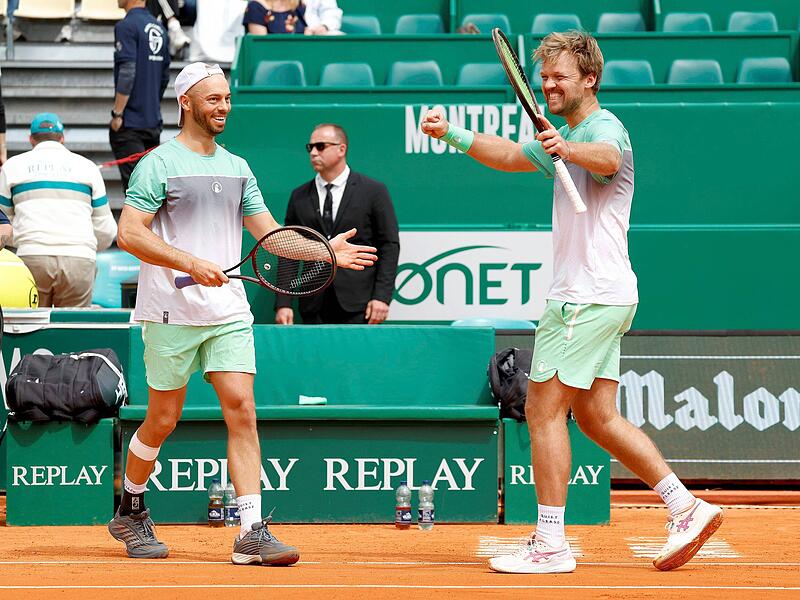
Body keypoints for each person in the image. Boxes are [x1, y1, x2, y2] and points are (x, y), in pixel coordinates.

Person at [421, 30, 723, 574]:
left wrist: (570, 147)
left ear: (590, 79)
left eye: (560, 76)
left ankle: (551, 543)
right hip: (602, 296)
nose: (548, 84)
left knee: (542, 410)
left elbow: (608, 158)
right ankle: (686, 506)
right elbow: (513, 154)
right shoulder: (565, 134)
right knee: (597, 417)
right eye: (544, 76)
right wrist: (454, 135)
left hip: (586, 298)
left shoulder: (600, 129)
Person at [109, 62, 377, 563]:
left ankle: (251, 531)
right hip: (171, 309)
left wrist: (326, 254)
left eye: (228, 98)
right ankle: (132, 505)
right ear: (186, 102)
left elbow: (270, 235)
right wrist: (188, 261)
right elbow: (130, 234)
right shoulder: (158, 164)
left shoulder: (237, 166)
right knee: (164, 418)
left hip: (227, 310)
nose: (224, 107)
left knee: (243, 410)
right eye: (213, 99)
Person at [275, 124, 399, 325]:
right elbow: (288, 249)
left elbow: (389, 246)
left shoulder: (373, 191)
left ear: (342, 149)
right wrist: (283, 303)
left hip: (360, 303)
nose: (314, 152)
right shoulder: (299, 196)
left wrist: (381, 297)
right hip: (312, 301)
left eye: (321, 146)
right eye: (310, 147)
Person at [0, 113, 117, 307]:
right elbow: (107, 230)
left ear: (31, 139)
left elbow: (4, 223)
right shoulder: (88, 167)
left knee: (31, 329)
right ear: (62, 139)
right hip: (79, 258)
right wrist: (84, 246)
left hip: (32, 256)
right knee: (72, 329)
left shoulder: (12, 167)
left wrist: (24, 239)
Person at [111, 0, 171, 192]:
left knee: (136, 192)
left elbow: (127, 72)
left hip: (130, 123)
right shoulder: (160, 27)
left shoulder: (126, 26)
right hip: (152, 121)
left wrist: (117, 113)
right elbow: (164, 77)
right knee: (150, 190)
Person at [243, 0, 340, 35]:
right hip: (273, 63)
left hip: (301, 57)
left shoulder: (298, 5)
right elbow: (259, 48)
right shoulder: (256, 7)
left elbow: (304, 32)